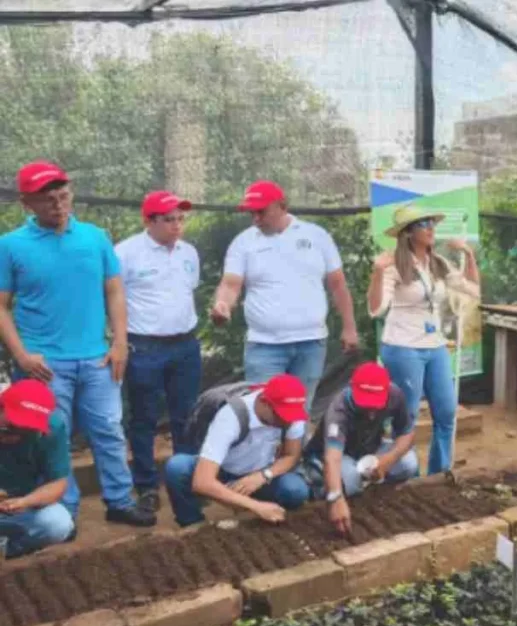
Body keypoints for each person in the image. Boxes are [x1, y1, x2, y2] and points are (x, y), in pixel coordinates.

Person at [0, 161, 154, 527]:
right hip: (43, 364)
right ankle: (64, 513)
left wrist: (119, 343)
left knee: (110, 432)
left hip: (97, 359)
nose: (58, 203)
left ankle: (119, 501)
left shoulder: (95, 238)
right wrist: (21, 354)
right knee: (53, 434)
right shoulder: (9, 246)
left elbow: (114, 291)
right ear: (27, 204)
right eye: (48, 198)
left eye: (63, 195)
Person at [210, 180, 359, 412]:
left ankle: (294, 450)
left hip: (311, 343)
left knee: (300, 410)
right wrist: (222, 304)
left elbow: (338, 284)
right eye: (252, 213)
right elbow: (230, 284)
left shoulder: (317, 236)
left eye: (261, 211)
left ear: (282, 206)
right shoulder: (243, 242)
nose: (255, 218)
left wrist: (349, 327)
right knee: (262, 413)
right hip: (264, 345)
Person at [367, 205, 480, 475]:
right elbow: (376, 309)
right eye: (424, 224)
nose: (431, 228)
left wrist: (468, 254)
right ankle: (405, 472)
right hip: (403, 346)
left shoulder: (437, 263)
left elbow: (473, 290)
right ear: (408, 233)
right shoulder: (394, 265)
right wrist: (378, 273)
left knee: (446, 411)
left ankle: (438, 473)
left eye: (432, 223)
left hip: (435, 345)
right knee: (407, 417)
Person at [114, 191, 202, 514]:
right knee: (143, 420)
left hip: (186, 346)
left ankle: (187, 481)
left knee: (187, 418)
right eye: (169, 219)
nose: (177, 225)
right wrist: (119, 342)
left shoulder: (189, 252)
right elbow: (114, 299)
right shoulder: (125, 253)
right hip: (144, 348)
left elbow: (188, 289)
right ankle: (147, 487)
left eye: (181, 218)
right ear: (148, 220)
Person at [163, 374, 311, 527]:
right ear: (264, 402)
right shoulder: (231, 416)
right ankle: (193, 525)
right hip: (222, 471)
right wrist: (255, 506)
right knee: (177, 467)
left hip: (261, 472)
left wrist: (263, 476)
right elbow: (202, 481)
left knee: (295, 491)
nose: (286, 422)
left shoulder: (291, 416)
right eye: (280, 417)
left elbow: (291, 456)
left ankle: (269, 516)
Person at [297, 362, 418, 535]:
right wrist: (335, 498)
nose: (370, 412)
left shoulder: (395, 394)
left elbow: (407, 434)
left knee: (408, 463)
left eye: (375, 404)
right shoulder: (339, 408)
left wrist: (387, 460)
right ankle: (323, 484)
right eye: (365, 403)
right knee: (350, 478)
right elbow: (332, 457)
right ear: (352, 388)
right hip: (339, 453)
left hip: (369, 449)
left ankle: (374, 489)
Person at [0, 380, 75, 558]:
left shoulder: (52, 427)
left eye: (26, 429)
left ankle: (10, 549)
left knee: (59, 523)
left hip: (18, 505)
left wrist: (25, 502)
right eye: (11, 427)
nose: (16, 435)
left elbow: (58, 483)